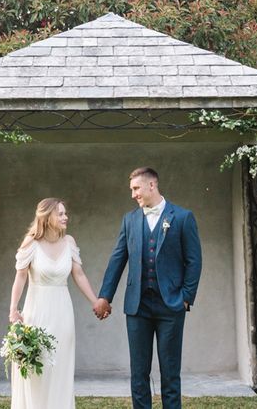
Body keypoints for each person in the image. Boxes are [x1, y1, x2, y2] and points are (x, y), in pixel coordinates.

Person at [94, 167, 202, 409]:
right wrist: (105, 296)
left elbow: (194, 261)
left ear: (151, 185)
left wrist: (186, 297)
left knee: (170, 373)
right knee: (138, 373)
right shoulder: (130, 220)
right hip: (137, 306)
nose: (133, 194)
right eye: (132, 189)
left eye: (136, 188)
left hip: (171, 305)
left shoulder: (183, 217)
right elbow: (117, 259)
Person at [8, 197, 102, 409]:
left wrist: (95, 302)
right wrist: (14, 309)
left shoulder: (69, 242)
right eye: (60, 213)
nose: (65, 217)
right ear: (46, 216)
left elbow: (79, 275)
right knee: (36, 364)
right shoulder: (31, 243)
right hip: (37, 310)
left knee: (60, 365)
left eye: (64, 213)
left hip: (62, 312)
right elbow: (20, 277)